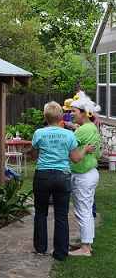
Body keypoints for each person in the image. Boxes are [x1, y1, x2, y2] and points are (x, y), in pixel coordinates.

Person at [29, 101, 95, 261]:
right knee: (61, 215)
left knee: (41, 213)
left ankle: (40, 248)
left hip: (43, 176)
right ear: (60, 117)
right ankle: (59, 253)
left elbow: (33, 154)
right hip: (63, 176)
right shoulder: (69, 135)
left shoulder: (39, 133)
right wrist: (85, 150)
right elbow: (76, 159)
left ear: (45, 116)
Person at [68, 91, 102, 257]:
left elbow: (68, 146)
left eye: (73, 111)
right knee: (85, 210)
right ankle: (85, 242)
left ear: (83, 112)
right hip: (90, 173)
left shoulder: (82, 131)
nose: (70, 114)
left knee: (83, 211)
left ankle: (85, 249)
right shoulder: (91, 128)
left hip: (83, 176)